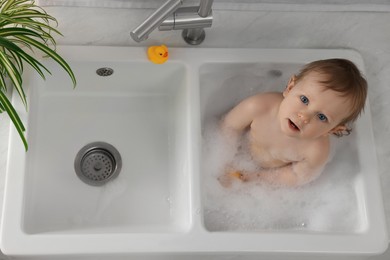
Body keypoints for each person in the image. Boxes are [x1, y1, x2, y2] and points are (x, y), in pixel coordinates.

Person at [218, 59, 367, 187]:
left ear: (332, 130)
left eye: (321, 117)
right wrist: (224, 158)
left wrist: (258, 177)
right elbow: (229, 127)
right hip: (235, 152)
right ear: (290, 88)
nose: (304, 117)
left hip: (260, 174)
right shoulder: (259, 107)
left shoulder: (315, 152)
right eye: (304, 100)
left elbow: (296, 176)